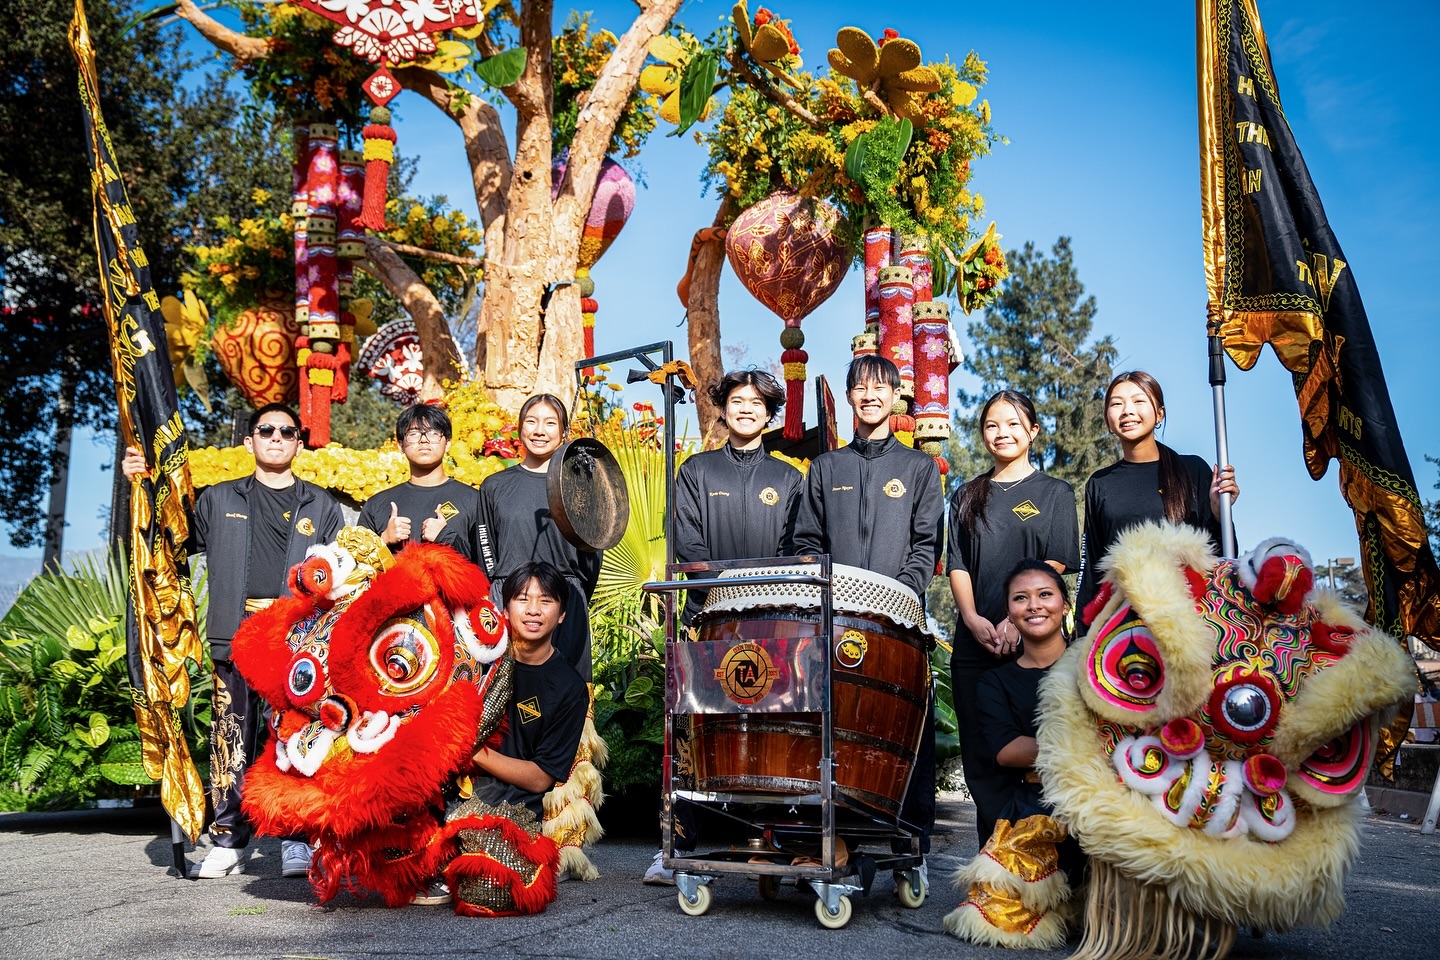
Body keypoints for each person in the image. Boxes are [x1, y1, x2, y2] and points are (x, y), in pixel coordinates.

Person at [121, 403, 343, 878]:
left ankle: (297, 840)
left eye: (288, 431)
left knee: (295, 740)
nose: (277, 437)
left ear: (299, 443)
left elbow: (340, 576)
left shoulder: (321, 505)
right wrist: (140, 485)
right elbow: (165, 542)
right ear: (249, 441)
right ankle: (228, 840)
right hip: (235, 636)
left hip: (297, 641)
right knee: (230, 740)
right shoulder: (217, 499)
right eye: (267, 430)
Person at [643, 368, 803, 884]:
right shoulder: (696, 472)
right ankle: (677, 843)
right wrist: (721, 594)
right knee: (690, 730)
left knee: (772, 732)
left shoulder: (789, 479)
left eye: (757, 402)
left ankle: (773, 840)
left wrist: (761, 598)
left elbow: (794, 553)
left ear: (770, 412)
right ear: (723, 408)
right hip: (707, 623)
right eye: (738, 400)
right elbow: (688, 546)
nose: (747, 409)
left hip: (770, 628)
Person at [791, 354, 944, 886]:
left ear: (897, 396)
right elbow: (806, 542)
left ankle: (911, 841)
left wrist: (898, 595)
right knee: (834, 731)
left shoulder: (920, 469)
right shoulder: (826, 467)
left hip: (896, 625)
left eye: (882, 387)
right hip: (833, 625)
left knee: (902, 730)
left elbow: (926, 546)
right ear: (852, 397)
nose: (871, 395)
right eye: (861, 387)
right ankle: (835, 839)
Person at [946, 390, 1079, 846]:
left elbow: (1057, 563)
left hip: (1033, 644)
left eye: (1012, 424)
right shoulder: (967, 494)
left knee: (1035, 747)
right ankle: (995, 856)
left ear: (1032, 431)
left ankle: (1049, 854)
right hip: (975, 644)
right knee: (982, 755)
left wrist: (1011, 619)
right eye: (992, 426)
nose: (1002, 433)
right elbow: (957, 565)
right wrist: (973, 620)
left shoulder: (1054, 493)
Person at [944, 560, 1085, 948]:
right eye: (1021, 599)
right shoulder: (995, 681)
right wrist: (1088, 746)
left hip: (1101, 797)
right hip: (1038, 804)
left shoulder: (1094, 663)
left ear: (1065, 604)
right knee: (997, 915)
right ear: (1010, 614)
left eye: (1045, 595)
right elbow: (1009, 752)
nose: (1034, 605)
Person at [1075, 371, 1240, 621]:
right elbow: (1094, 566)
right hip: (1122, 624)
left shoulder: (1192, 470)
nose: (1127, 410)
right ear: (1108, 421)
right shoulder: (1100, 483)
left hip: (1188, 619)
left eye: (1139, 401)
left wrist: (1219, 514)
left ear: (1159, 413)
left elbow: (1223, 557)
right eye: (1117, 403)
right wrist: (1083, 628)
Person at [476, 394, 600, 680]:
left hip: (564, 599)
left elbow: (593, 553)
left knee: (565, 694)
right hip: (508, 599)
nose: (539, 431)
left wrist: (573, 594)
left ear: (564, 431)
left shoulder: (580, 485)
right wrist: (497, 594)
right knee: (504, 697)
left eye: (549, 423)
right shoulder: (494, 486)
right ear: (520, 428)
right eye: (531, 422)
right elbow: (485, 547)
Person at [468, 562, 588, 818]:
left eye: (545, 601)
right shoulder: (477, 659)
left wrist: (471, 750)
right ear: (506, 610)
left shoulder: (570, 688)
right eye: (523, 599)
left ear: (562, 614)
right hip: (452, 794)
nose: (533, 610)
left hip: (513, 814)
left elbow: (540, 778)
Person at [357, 403, 480, 561]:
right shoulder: (377, 504)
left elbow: (487, 564)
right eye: (414, 434)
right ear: (401, 445)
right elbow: (354, 569)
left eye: (433, 433)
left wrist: (446, 537)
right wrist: (383, 540)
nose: (424, 441)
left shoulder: (473, 500)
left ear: (448, 443)